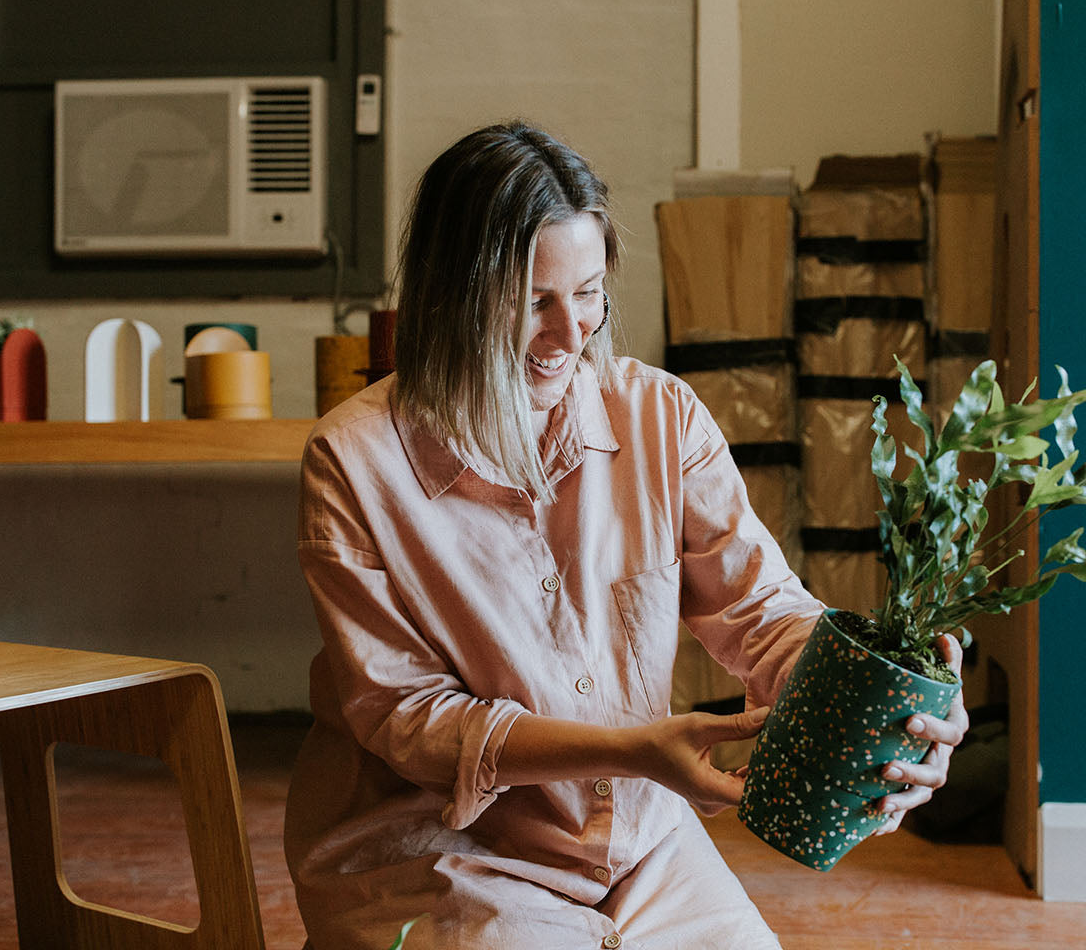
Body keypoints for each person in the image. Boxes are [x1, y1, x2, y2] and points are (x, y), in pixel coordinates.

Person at [284, 121, 968, 950]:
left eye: (587, 294)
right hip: (438, 847)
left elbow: (760, 610)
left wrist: (886, 703)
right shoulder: (355, 461)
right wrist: (635, 750)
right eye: (533, 300)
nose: (570, 337)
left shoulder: (660, 415)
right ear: (450, 295)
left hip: (637, 840)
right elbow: (409, 718)